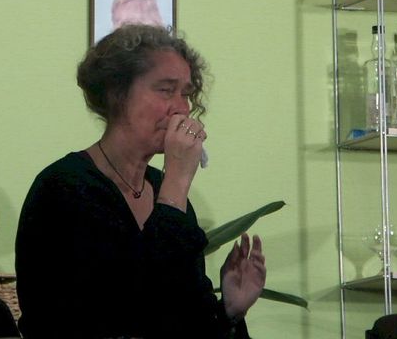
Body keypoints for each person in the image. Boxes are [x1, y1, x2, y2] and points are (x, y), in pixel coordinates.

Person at [15, 24, 265, 339]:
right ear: (116, 93)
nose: (182, 108)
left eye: (186, 94)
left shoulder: (164, 189)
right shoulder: (64, 187)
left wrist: (229, 311)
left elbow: (182, 320)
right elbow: (130, 307)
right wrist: (177, 181)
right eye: (166, 90)